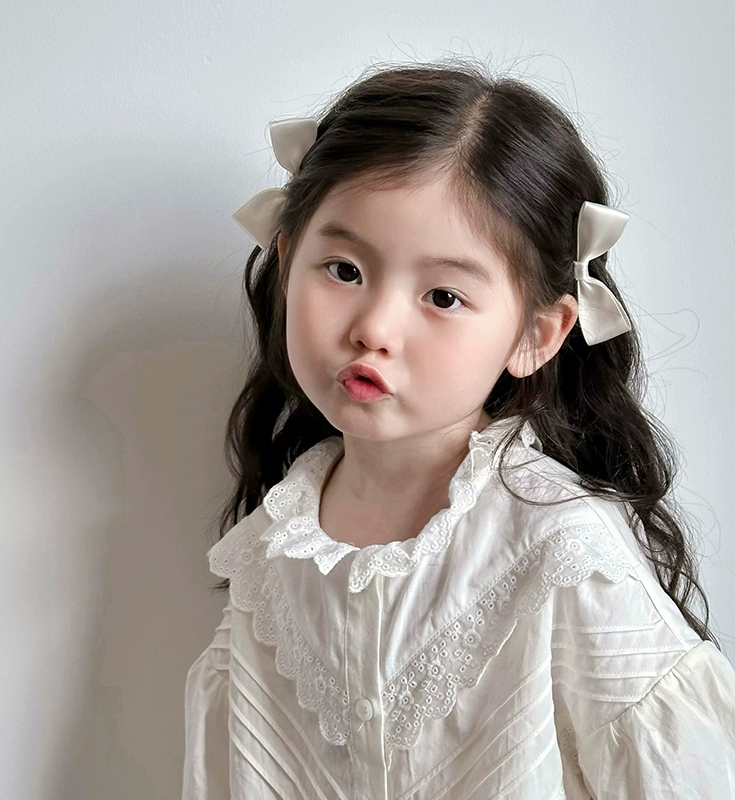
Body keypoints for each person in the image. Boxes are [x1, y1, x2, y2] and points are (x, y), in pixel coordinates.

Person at [181, 61, 735, 799]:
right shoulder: (267, 555)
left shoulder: (562, 548)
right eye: (343, 270)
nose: (375, 328)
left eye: (443, 296)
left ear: (537, 334)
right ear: (286, 261)